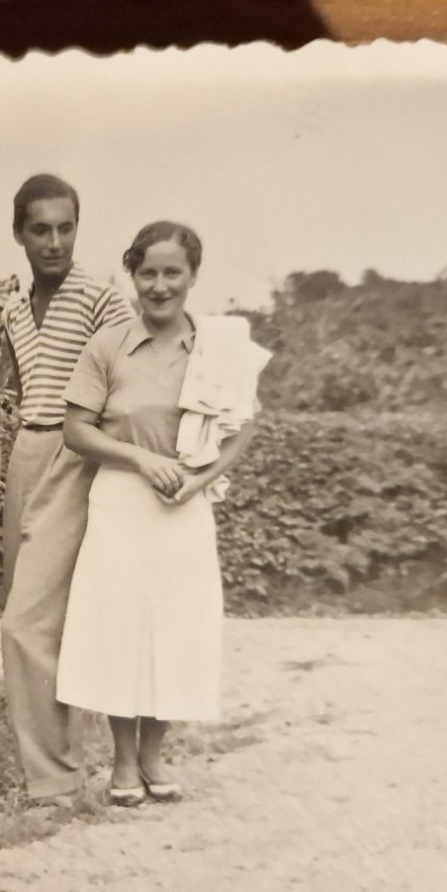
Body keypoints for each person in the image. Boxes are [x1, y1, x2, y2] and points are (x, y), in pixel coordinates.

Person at [56, 221, 267, 805]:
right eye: (147, 272)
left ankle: (155, 756)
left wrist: (199, 479)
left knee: (176, 629)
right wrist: (140, 460)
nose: (159, 285)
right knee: (121, 627)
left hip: (184, 505)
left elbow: (243, 426)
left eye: (172, 272)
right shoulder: (107, 346)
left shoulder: (216, 349)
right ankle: (123, 762)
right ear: (133, 275)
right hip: (122, 498)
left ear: (193, 276)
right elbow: (76, 430)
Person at [0, 174, 134, 800]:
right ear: (19, 234)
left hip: (78, 456)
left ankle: (61, 778)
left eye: (66, 227)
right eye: (40, 229)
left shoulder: (104, 299)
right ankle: (52, 771)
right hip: (28, 452)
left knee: (32, 622)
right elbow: (22, 393)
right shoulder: (12, 309)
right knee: (29, 619)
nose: (54, 242)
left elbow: (130, 385)